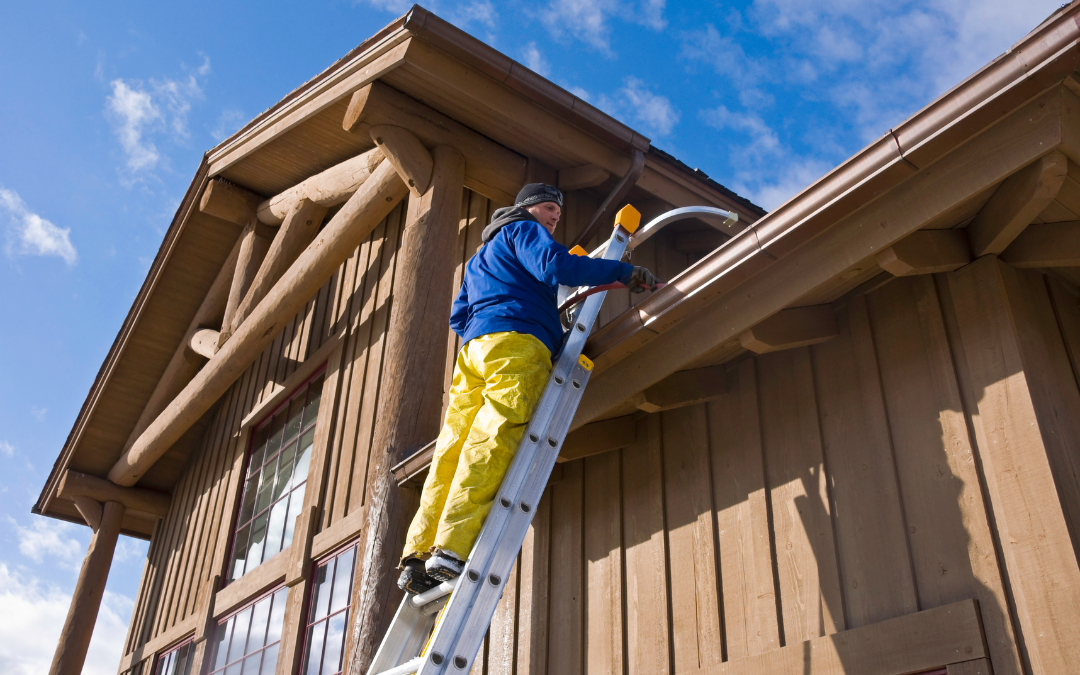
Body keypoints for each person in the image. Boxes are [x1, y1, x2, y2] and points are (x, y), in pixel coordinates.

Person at [398, 183, 659, 593]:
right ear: (526, 207)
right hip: (517, 345)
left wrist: (502, 315)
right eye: (548, 206)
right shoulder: (524, 230)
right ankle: (450, 548)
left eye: (558, 209)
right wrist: (623, 272)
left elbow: (458, 316)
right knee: (493, 438)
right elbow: (558, 268)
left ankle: (416, 555)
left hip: (473, 353)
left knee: (454, 446)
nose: (554, 215)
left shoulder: (480, 257)